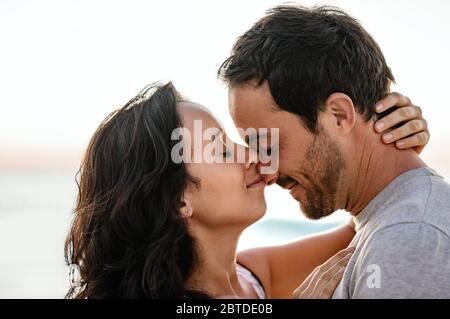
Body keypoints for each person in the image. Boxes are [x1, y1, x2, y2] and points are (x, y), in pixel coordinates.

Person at [65, 80, 429, 298]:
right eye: (223, 149)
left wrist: (386, 143)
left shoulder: (253, 278)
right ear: (178, 198)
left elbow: (364, 219)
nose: (253, 156)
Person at [219, 4, 449, 298]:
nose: (267, 170)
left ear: (339, 115)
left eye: (269, 146)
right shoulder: (388, 225)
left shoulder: (408, 238)